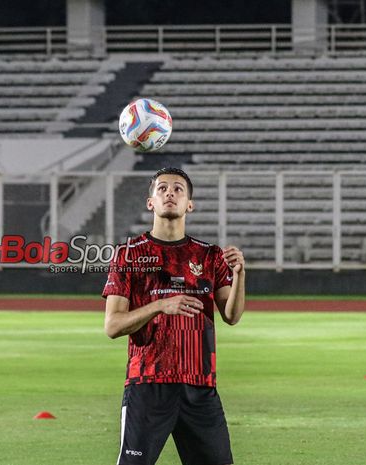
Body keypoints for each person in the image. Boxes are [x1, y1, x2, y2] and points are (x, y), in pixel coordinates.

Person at [103, 167, 245, 465]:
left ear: (189, 205)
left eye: (179, 189)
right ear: (150, 202)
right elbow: (113, 326)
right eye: (163, 188)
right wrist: (159, 305)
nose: (170, 193)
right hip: (148, 384)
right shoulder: (129, 254)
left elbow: (231, 316)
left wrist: (239, 275)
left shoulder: (210, 256)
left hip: (200, 385)